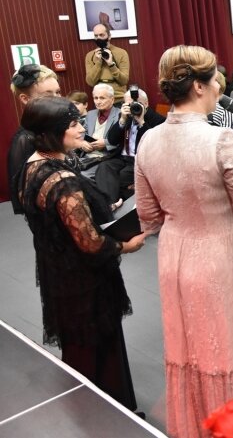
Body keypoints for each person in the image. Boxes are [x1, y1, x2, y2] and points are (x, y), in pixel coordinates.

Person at [135, 45, 233, 437]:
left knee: (191, 350)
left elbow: (148, 216)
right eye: (215, 79)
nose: (220, 86)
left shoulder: (147, 141)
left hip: (173, 255)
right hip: (218, 257)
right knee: (230, 350)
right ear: (199, 87)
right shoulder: (223, 139)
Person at [16, 97, 147, 409]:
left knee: (79, 348)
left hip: (57, 272)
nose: (80, 129)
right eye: (72, 125)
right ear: (52, 132)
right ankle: (109, 414)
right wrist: (126, 246)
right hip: (84, 281)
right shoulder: (62, 181)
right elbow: (89, 241)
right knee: (98, 350)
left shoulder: (31, 165)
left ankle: (89, 412)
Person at [95, 87, 165, 203]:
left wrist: (142, 122)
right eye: (129, 105)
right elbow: (112, 140)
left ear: (146, 104)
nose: (133, 108)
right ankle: (110, 205)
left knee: (122, 176)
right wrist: (122, 120)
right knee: (104, 167)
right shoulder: (125, 117)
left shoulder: (158, 120)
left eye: (136, 104)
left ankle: (117, 205)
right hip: (122, 157)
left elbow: (153, 145)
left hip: (140, 160)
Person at [8, 64, 61, 214]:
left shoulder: (55, 127)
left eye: (58, 92)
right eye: (48, 94)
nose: (57, 99)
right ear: (25, 99)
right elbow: (24, 196)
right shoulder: (25, 139)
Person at [80, 83, 122, 179]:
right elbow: (82, 134)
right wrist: (82, 143)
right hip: (86, 157)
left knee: (81, 177)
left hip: (106, 158)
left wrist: (106, 143)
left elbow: (125, 141)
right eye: (96, 98)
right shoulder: (90, 114)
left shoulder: (120, 115)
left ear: (112, 99)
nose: (98, 102)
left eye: (102, 98)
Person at [85, 23, 130, 105]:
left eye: (101, 35)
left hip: (119, 98)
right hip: (100, 99)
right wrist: (98, 62)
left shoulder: (121, 53)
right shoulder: (90, 56)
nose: (98, 38)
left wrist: (111, 64)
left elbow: (124, 80)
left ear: (109, 36)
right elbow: (90, 82)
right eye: (96, 35)